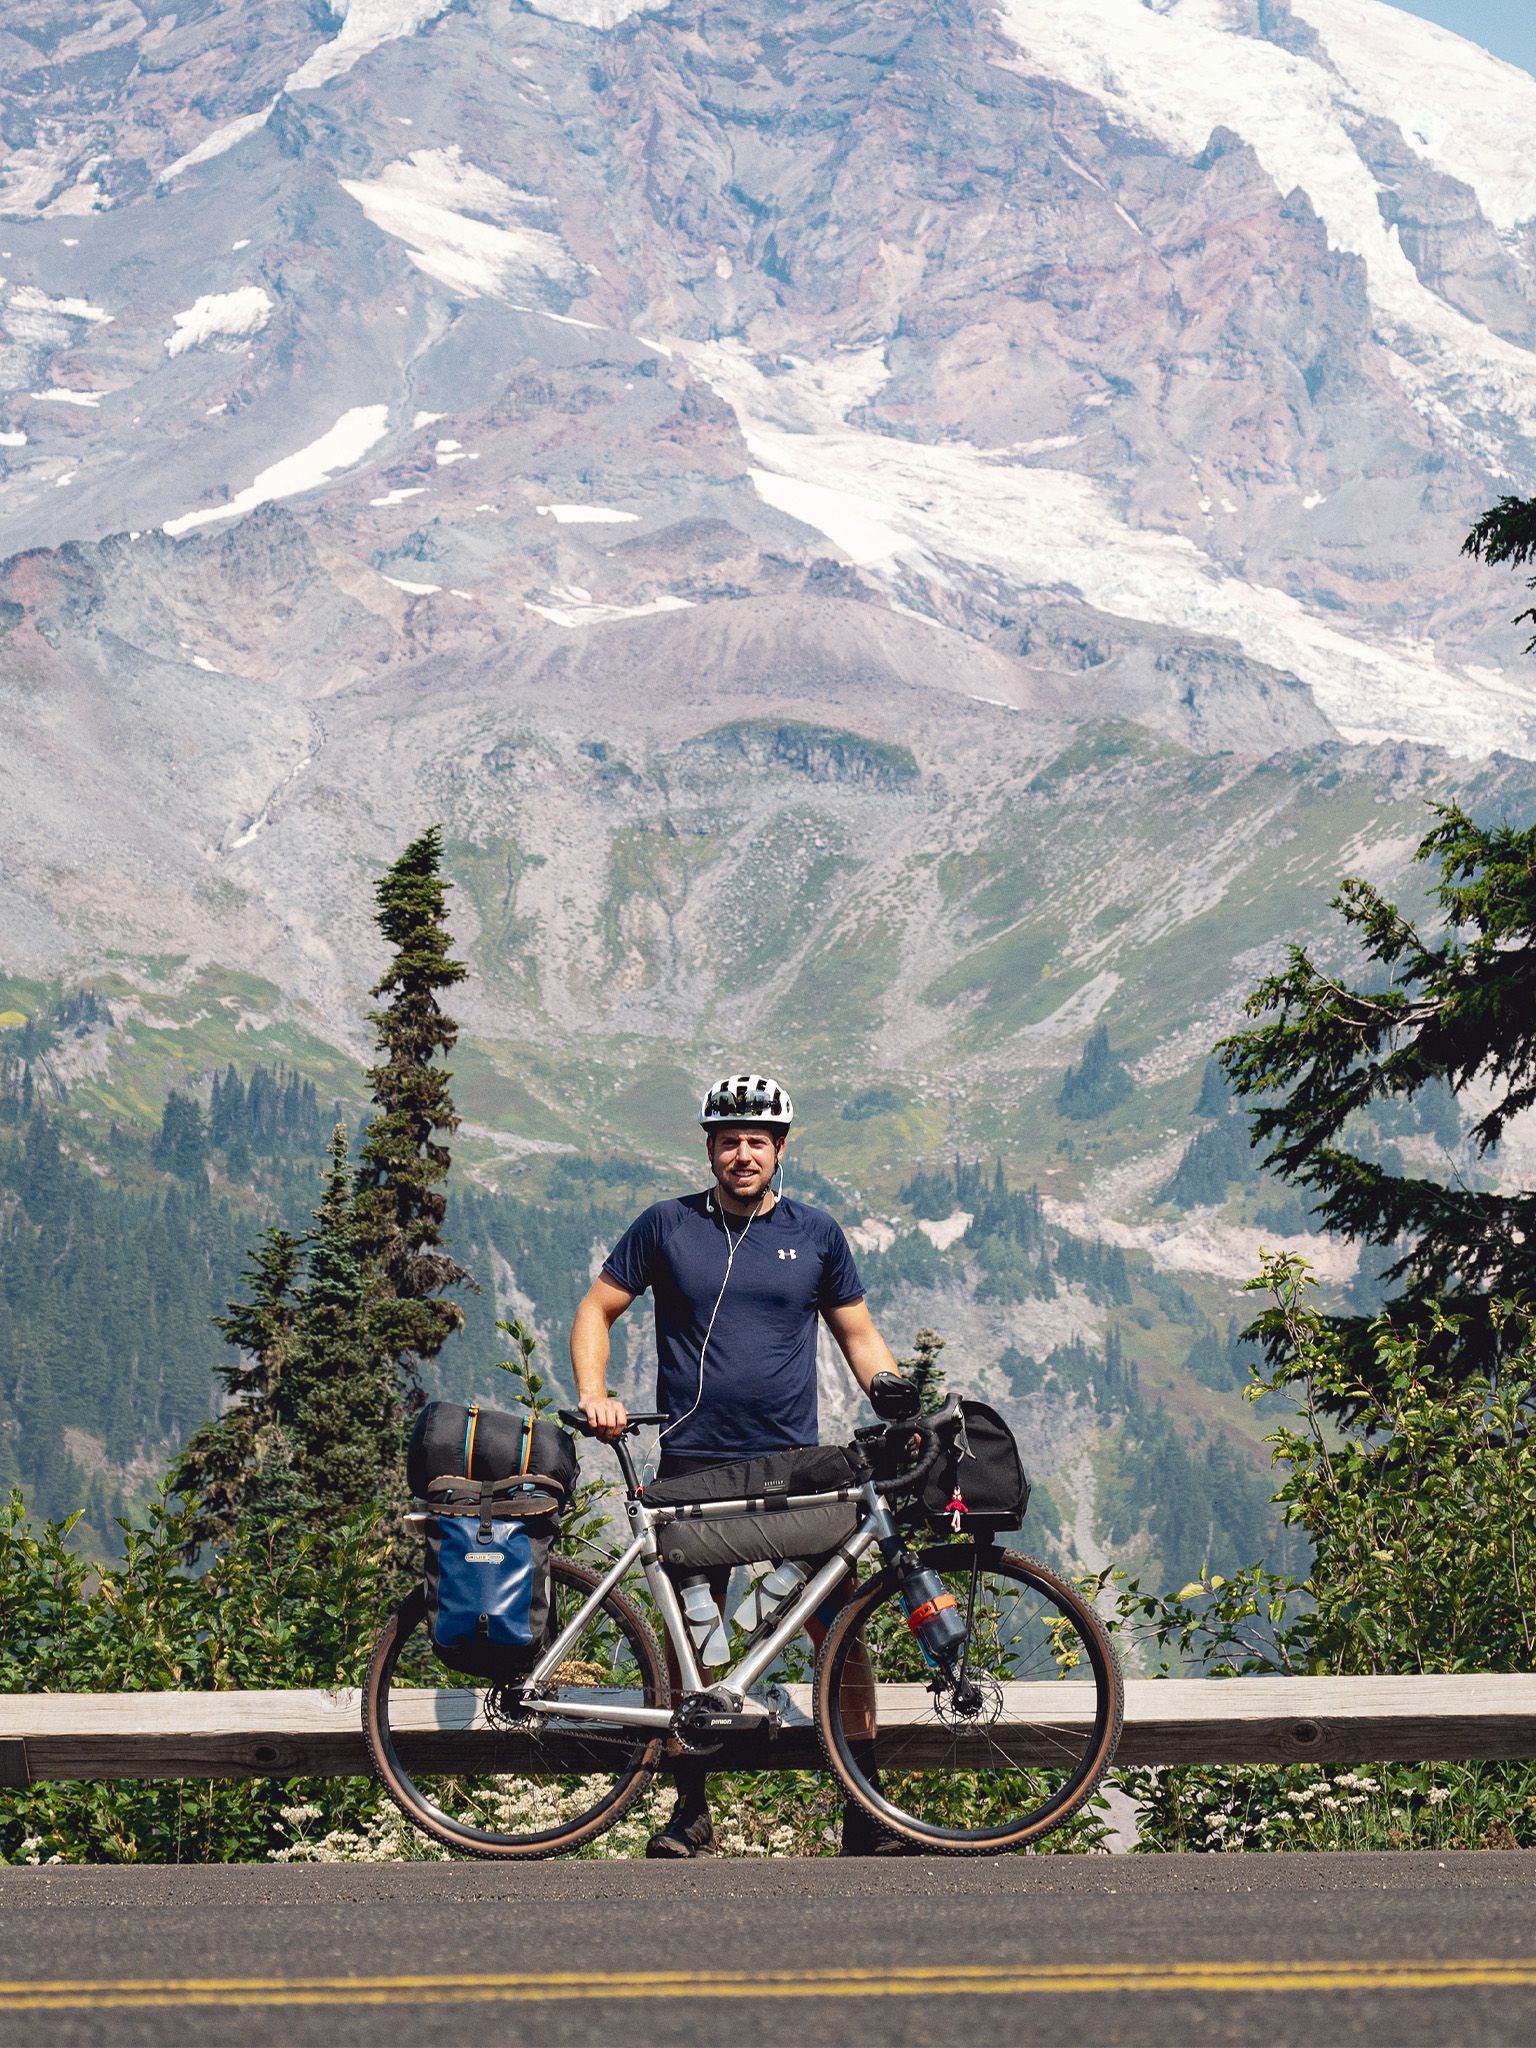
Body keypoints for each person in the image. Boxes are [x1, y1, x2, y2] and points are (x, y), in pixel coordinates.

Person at [569, 1070, 910, 1857]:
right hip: (694, 1462)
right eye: (730, 1140)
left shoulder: (817, 1233)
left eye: (758, 1140)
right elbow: (598, 1308)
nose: (743, 1153)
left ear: (781, 1148)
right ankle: (689, 1812)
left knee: (840, 1629)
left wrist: (890, 1390)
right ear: (710, 1148)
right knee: (694, 1639)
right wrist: (596, 1393)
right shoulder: (665, 1226)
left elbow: (857, 1334)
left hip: (796, 1467)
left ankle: (865, 1807)